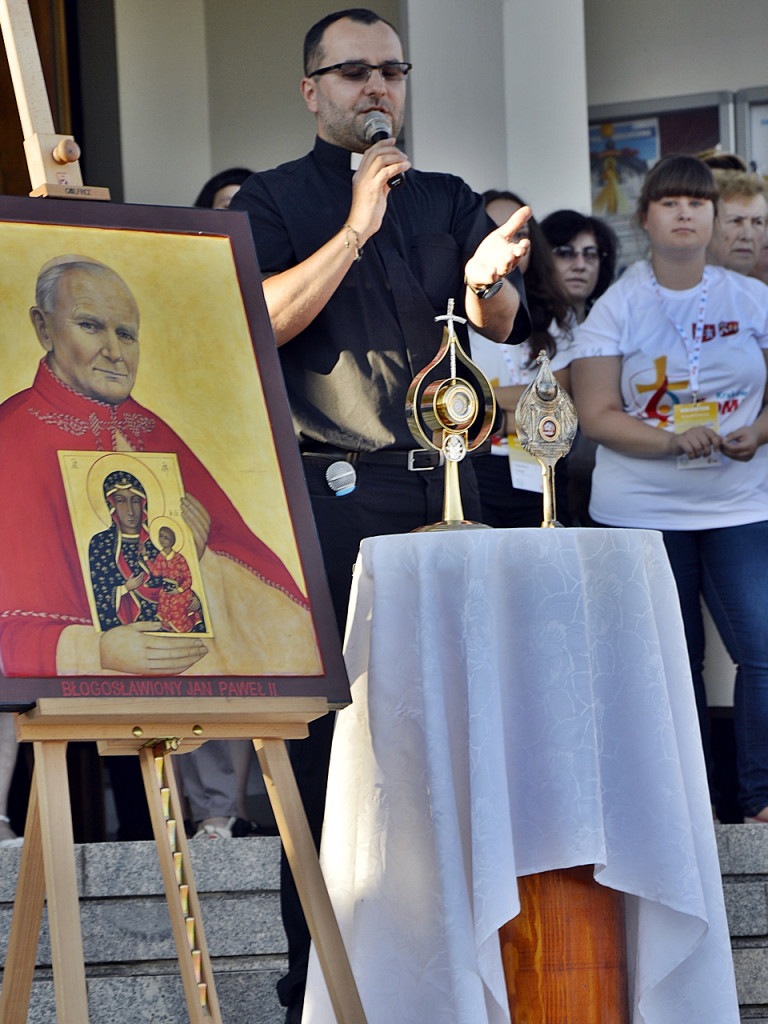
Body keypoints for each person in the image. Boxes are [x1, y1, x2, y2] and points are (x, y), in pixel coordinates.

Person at [230, 9, 531, 1020]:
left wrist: (487, 289)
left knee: (459, 735)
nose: (378, 88)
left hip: (450, 485)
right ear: (311, 90)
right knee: (335, 754)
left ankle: (454, 978)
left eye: (392, 71)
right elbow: (257, 322)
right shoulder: (272, 200)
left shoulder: (444, 196)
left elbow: (497, 325)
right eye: (354, 71)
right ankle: (313, 986)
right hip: (335, 499)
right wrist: (357, 223)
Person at [0, 255, 320, 679]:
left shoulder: (152, 431)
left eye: (126, 334)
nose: (115, 353)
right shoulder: (13, 433)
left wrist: (203, 560)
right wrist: (95, 650)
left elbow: (266, 603)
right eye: (90, 326)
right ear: (44, 328)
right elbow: (16, 623)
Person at [570, 154, 768, 825]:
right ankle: (689, 808)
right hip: (641, 509)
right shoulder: (616, 306)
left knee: (763, 648)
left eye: (698, 202)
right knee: (670, 661)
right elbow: (596, 413)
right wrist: (671, 440)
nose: (686, 214)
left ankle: (760, 800)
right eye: (670, 202)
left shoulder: (750, 298)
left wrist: (758, 431)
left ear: (714, 217)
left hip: (741, 502)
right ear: (645, 217)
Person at [469, 190, 577, 526]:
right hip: (479, 464)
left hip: (544, 463)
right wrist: (526, 412)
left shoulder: (556, 313)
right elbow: (455, 403)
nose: (510, 243)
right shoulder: (457, 313)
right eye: (495, 231)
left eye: (520, 234)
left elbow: (559, 397)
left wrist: (486, 402)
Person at [539, 208, 618, 524]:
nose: (580, 264)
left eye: (590, 254)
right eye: (565, 253)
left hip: (613, 468)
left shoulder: (617, 321)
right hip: (545, 473)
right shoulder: (521, 325)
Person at [706, 169, 768, 276]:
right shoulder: (680, 283)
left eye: (757, 222)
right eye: (736, 221)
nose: (748, 235)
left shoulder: (758, 287)